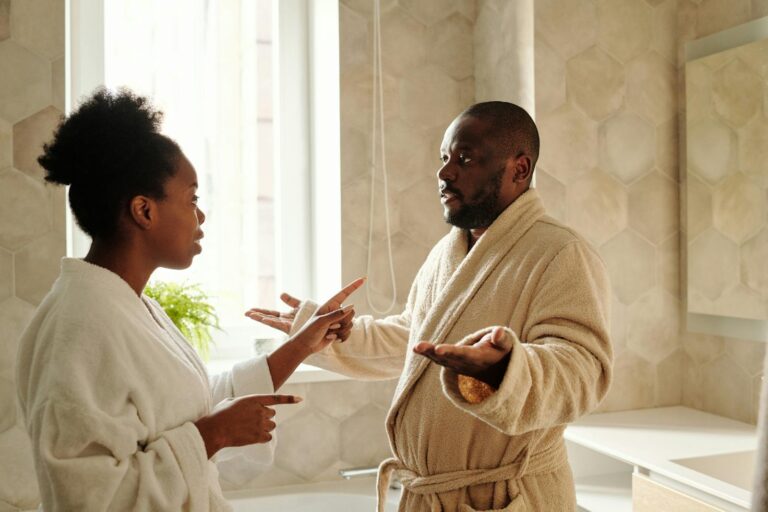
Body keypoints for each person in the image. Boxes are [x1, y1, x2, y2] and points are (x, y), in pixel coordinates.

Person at [248, 101, 613, 511]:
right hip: (432, 495)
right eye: (444, 157)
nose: (444, 172)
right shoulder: (449, 251)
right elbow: (417, 339)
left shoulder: (560, 252)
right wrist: (333, 336)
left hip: (505, 497)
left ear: (519, 169)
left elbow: (583, 370)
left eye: (466, 157)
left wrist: (504, 370)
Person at [15, 88, 360, 511]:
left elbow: (186, 407)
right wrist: (213, 435)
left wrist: (303, 344)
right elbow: (85, 496)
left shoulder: (129, 306)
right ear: (144, 211)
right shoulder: (80, 325)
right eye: (192, 198)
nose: (201, 216)